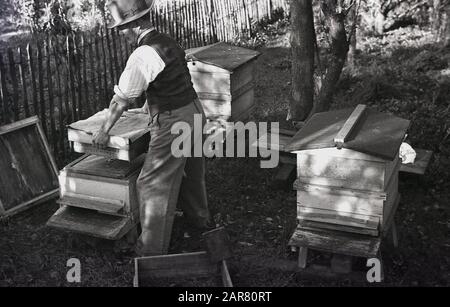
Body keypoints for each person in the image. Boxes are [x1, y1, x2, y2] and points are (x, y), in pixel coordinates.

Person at [93, 0, 211, 256]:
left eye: (122, 28)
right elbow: (170, 78)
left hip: (174, 124)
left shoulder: (142, 54)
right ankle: (200, 224)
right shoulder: (167, 41)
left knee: (150, 184)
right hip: (194, 112)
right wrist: (148, 107)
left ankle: (150, 252)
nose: (121, 34)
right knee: (191, 175)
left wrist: (104, 131)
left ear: (135, 25)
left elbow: (121, 99)